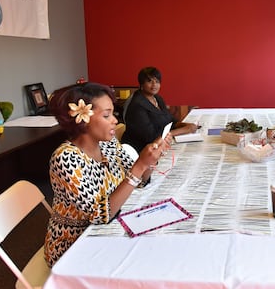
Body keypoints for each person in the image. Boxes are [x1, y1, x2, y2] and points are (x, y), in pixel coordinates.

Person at [43, 82, 168, 266]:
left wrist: (150, 161)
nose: (115, 120)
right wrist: (140, 166)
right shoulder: (66, 158)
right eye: (107, 115)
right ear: (83, 119)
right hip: (75, 246)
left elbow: (139, 181)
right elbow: (101, 215)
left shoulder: (107, 144)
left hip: (109, 230)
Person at [121, 66, 198, 152]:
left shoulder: (157, 98)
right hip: (141, 151)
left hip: (159, 145)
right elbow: (151, 137)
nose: (154, 85)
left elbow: (170, 120)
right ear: (141, 84)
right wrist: (179, 131)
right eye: (149, 81)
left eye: (157, 81)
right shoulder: (137, 105)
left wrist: (187, 125)